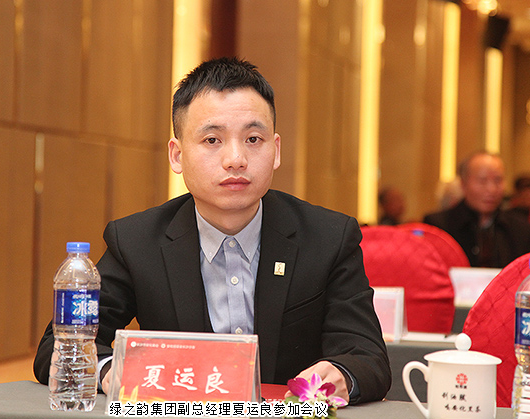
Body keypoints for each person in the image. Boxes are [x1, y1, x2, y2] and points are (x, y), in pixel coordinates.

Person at [33, 57, 391, 405]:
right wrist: (113, 371)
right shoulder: (137, 242)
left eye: (253, 139)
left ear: (276, 150)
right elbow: (60, 346)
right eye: (212, 140)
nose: (235, 159)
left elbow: (367, 357)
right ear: (177, 155)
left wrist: (342, 374)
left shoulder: (328, 238)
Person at [423, 151, 530, 268]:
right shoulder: (438, 226)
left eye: (498, 180)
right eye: (482, 181)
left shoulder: (520, 228)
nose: (491, 189)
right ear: (463, 184)